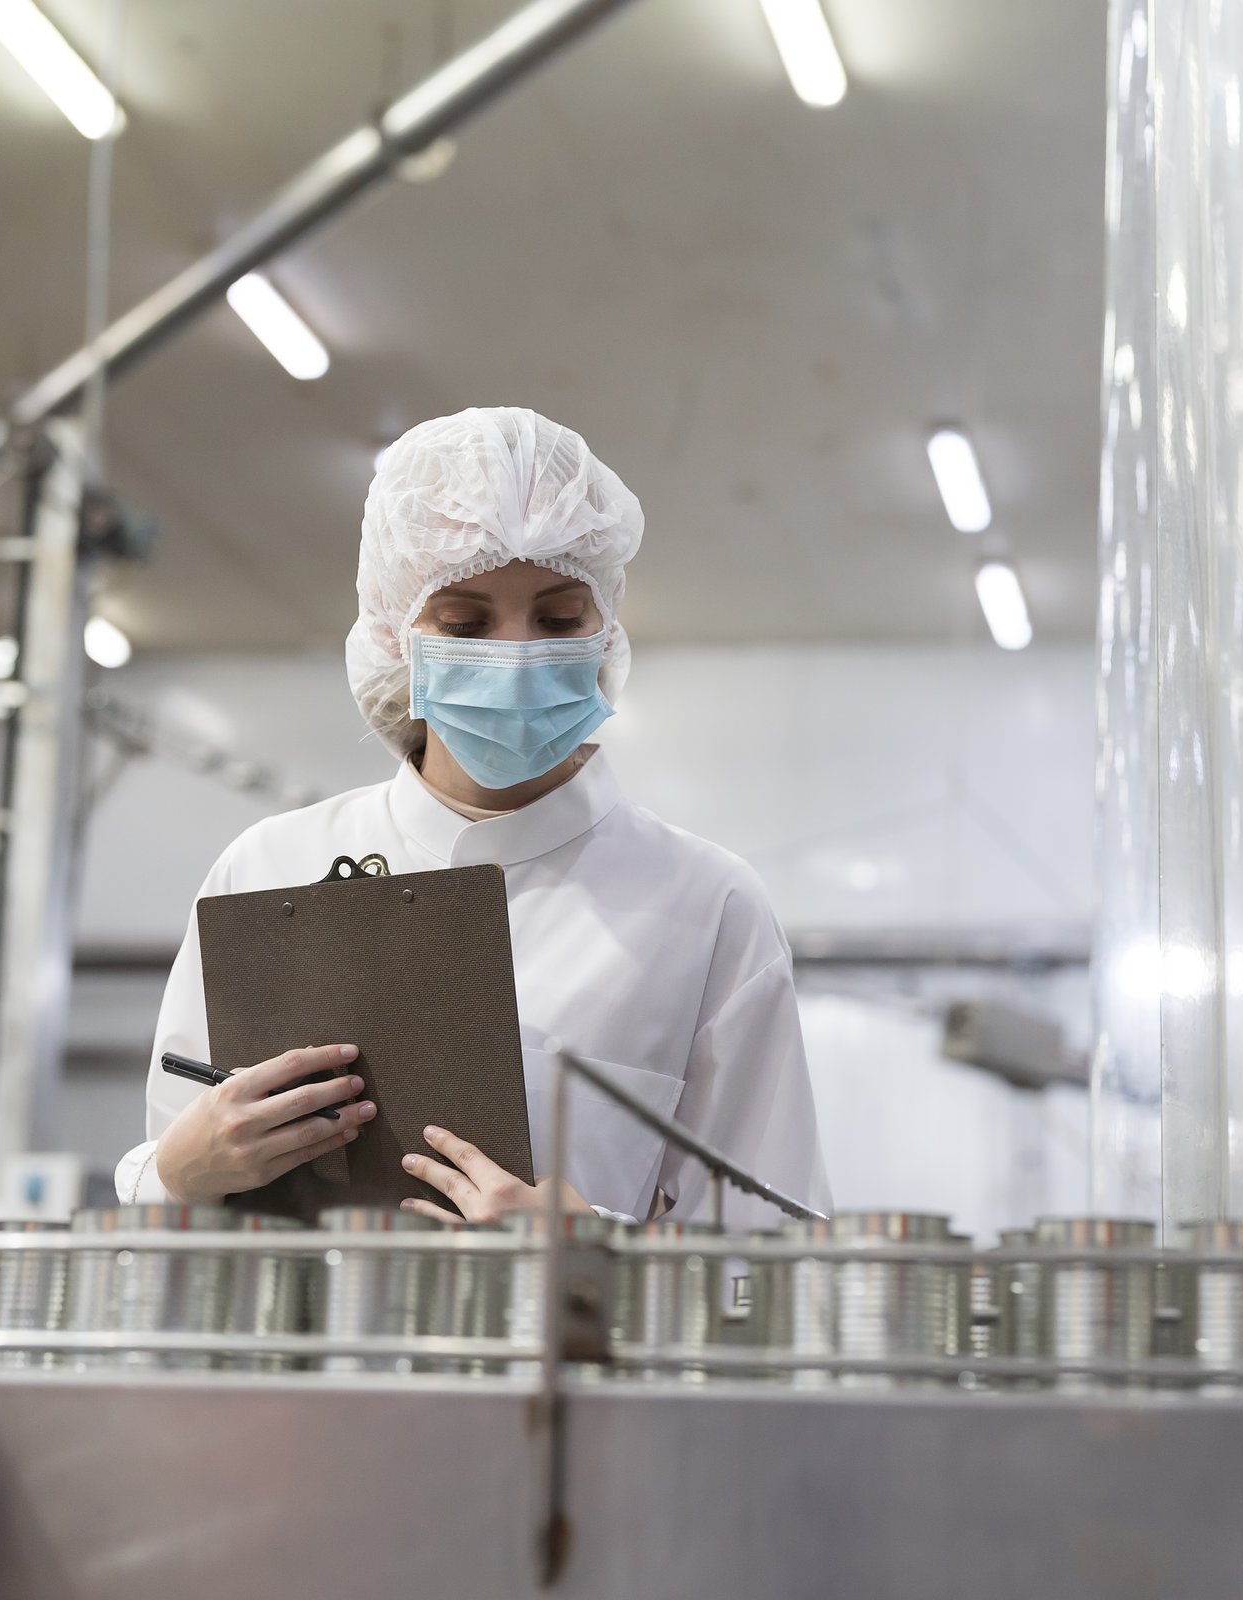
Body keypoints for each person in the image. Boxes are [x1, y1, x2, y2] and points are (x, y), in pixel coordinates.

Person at [113, 406, 831, 1230]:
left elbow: (771, 1250)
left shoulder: (704, 904)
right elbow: (170, 1215)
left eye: (560, 619)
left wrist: (591, 1251)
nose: (519, 652)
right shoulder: (270, 868)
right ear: (393, 633)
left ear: (607, 630)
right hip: (302, 1353)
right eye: (465, 623)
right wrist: (170, 1173)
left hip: (567, 1361)